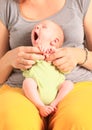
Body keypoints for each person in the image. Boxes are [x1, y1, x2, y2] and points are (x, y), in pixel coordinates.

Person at [0, 0, 92, 129]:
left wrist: (80, 56)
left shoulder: (81, 2)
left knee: (80, 122)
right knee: (14, 124)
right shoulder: (6, 5)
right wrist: (9, 58)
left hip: (76, 85)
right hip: (19, 88)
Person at [22, 20, 73, 117]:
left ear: (54, 41)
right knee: (28, 82)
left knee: (69, 84)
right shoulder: (31, 53)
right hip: (37, 91)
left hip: (55, 90)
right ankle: (40, 106)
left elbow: (66, 69)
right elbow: (24, 67)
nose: (36, 27)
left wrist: (54, 55)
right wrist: (37, 53)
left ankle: (54, 104)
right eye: (37, 26)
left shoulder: (58, 54)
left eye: (43, 27)